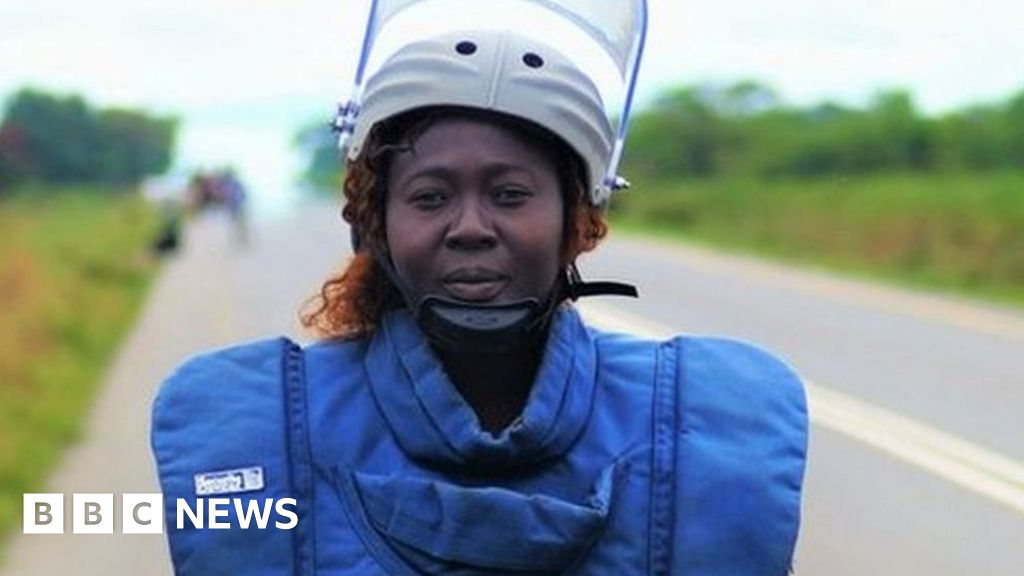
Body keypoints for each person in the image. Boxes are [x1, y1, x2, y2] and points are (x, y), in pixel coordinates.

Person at [151, 3, 807, 574]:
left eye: (510, 194)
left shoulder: (720, 431)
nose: (470, 227)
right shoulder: (248, 434)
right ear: (375, 224)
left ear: (577, 222)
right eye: (431, 196)